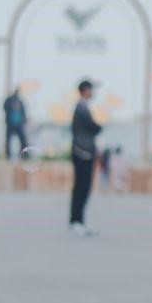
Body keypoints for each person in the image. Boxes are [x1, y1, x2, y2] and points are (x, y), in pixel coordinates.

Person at [68, 80, 101, 235]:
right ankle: (76, 220)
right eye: (91, 89)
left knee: (83, 187)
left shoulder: (82, 107)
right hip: (82, 152)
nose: (93, 92)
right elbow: (92, 127)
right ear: (86, 90)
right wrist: (99, 127)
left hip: (84, 151)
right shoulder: (81, 108)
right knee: (82, 187)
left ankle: (78, 220)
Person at [3, 87, 29, 159]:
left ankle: (24, 155)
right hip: (10, 124)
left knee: (22, 140)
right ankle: (8, 155)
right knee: (8, 140)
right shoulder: (9, 100)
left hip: (19, 124)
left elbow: (23, 112)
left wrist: (24, 120)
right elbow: (5, 108)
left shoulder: (20, 102)